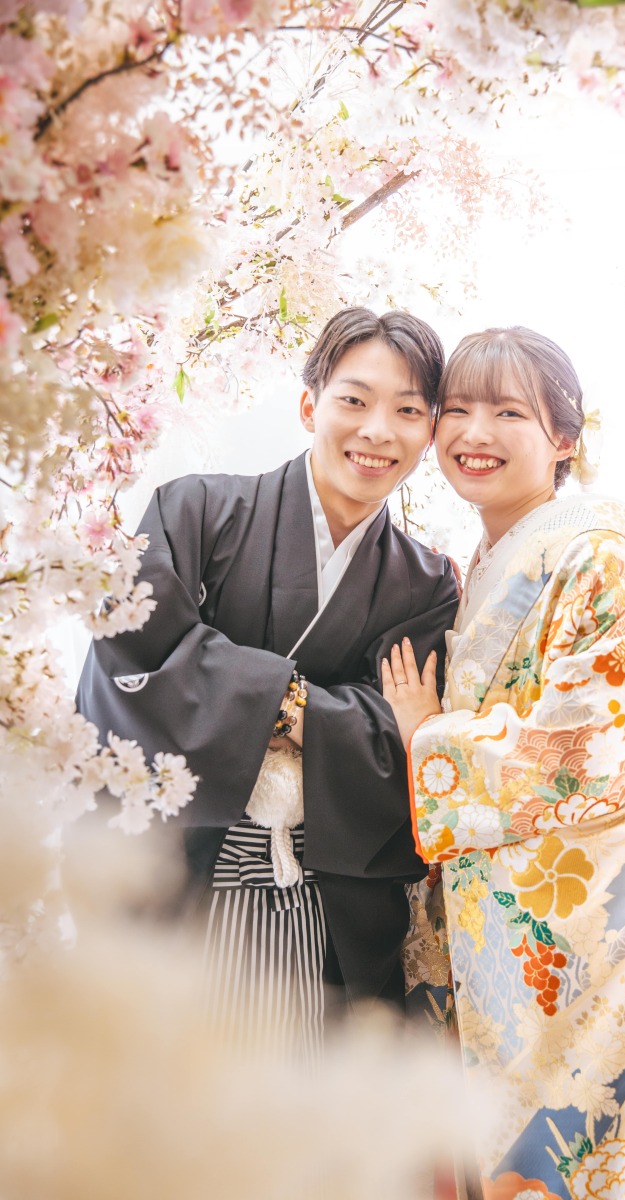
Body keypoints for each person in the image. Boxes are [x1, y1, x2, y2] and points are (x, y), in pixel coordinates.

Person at [382, 327, 625, 1200]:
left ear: (564, 438)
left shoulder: (596, 557)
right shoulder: (492, 562)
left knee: (576, 1154)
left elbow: (597, 740)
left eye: (507, 413)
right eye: (456, 410)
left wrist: (428, 736)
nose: (473, 433)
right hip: (504, 918)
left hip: (579, 929)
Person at [77, 307, 460, 1063]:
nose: (377, 431)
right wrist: (307, 708)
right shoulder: (193, 510)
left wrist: (245, 694)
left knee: (283, 1111)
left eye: (408, 411)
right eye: (354, 400)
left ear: (429, 431)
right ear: (309, 405)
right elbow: (135, 656)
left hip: (316, 905)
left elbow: (404, 744)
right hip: (175, 878)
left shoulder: (425, 586)